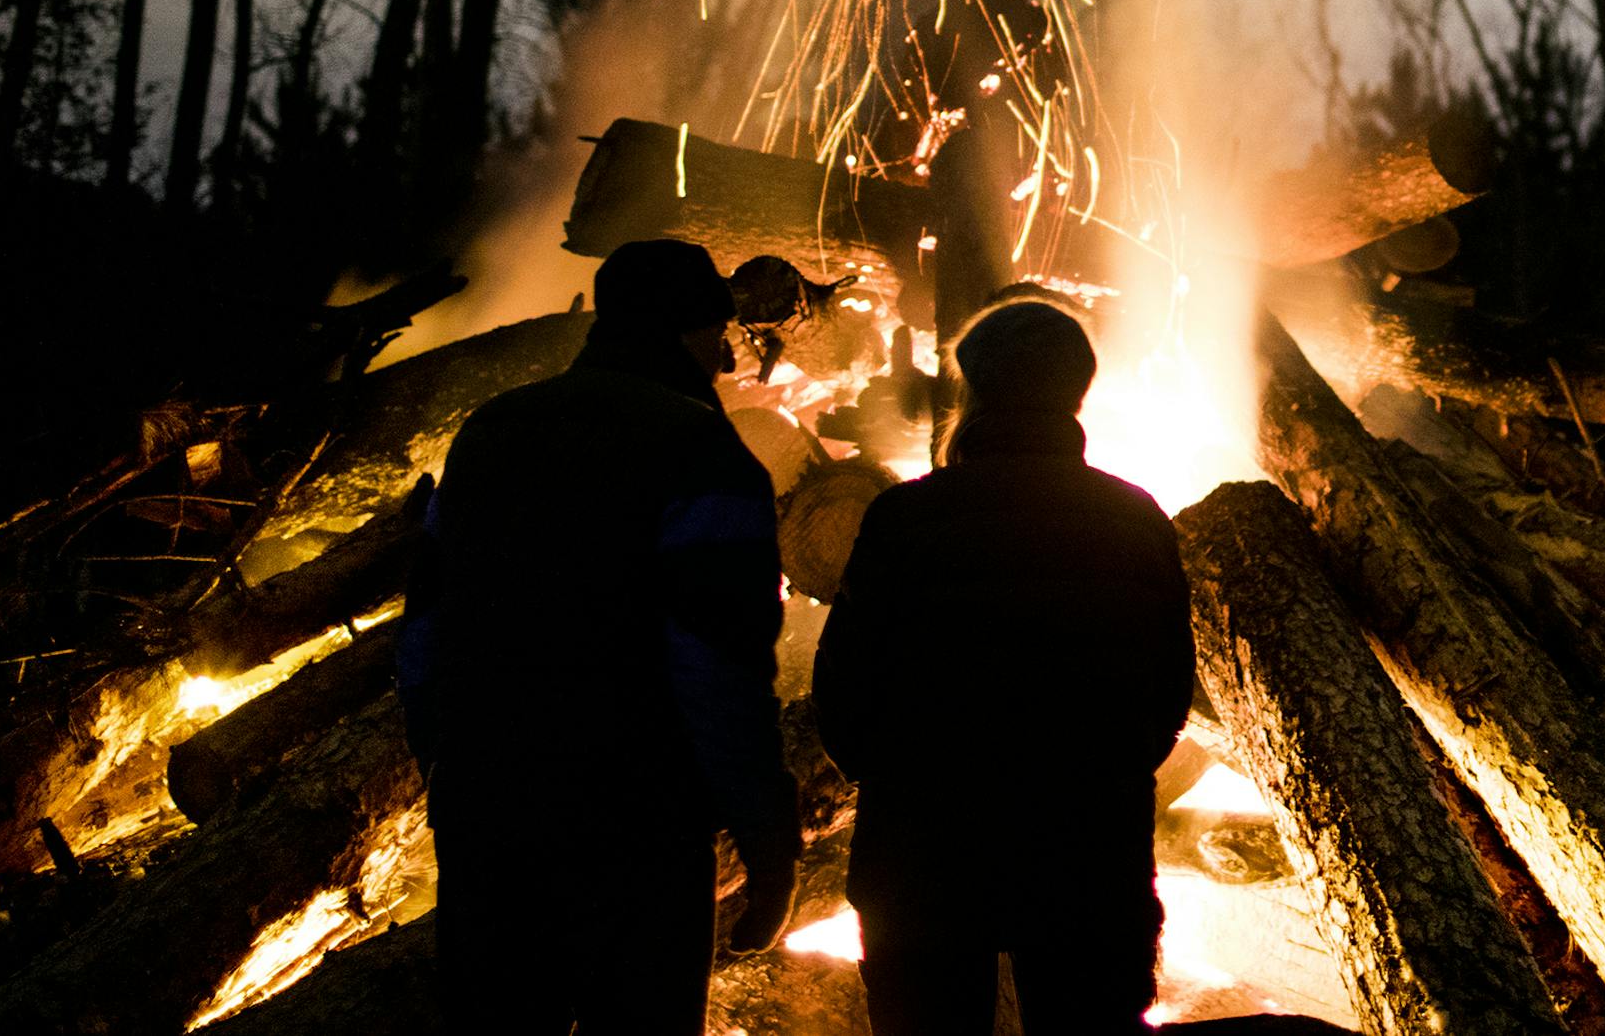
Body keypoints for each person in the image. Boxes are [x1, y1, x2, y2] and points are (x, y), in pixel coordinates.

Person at [404, 238, 801, 1034]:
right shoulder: (704, 454)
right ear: (697, 331)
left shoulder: (491, 433)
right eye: (722, 332)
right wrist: (768, 840)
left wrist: (448, 769)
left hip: (488, 818)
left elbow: (423, 635)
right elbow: (717, 669)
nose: (727, 354)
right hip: (635, 833)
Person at [812, 298, 1197, 1035]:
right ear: (1077, 393)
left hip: (924, 856)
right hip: (1086, 854)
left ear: (971, 389)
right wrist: (1100, 778)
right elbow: (1165, 698)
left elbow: (844, 689)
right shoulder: (1136, 518)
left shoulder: (905, 518)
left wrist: (891, 781)